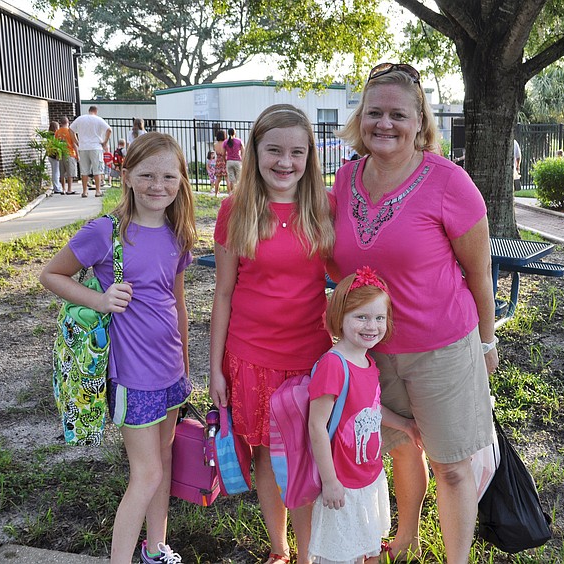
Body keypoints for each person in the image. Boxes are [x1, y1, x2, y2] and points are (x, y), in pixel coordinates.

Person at [331, 62, 497, 563]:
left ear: (420, 121)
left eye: (398, 114)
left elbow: (479, 272)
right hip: (371, 352)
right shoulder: (343, 179)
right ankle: (405, 537)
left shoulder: (450, 182)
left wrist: (487, 342)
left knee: (450, 465)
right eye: (374, 112)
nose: (385, 124)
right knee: (400, 448)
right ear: (361, 119)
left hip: (441, 349)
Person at [39, 132, 197, 564]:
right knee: (145, 475)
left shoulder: (176, 233)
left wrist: (185, 367)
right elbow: (52, 274)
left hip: (170, 375)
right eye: (146, 175)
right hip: (133, 377)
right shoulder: (106, 231)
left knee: (161, 465)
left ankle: (156, 548)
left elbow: (178, 302)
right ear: (125, 176)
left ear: (181, 180)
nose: (157, 185)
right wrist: (99, 299)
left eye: (168, 176)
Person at [209, 104, 335, 564]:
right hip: (250, 356)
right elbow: (223, 294)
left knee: (302, 455)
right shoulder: (234, 210)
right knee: (265, 455)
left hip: (309, 357)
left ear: (310, 157)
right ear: (255, 150)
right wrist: (215, 370)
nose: (285, 162)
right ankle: (279, 551)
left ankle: (307, 555)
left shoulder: (325, 208)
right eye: (274, 150)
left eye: (297, 152)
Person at [308, 267, 422, 564]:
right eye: (361, 317)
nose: (371, 326)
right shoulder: (334, 364)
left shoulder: (368, 361)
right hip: (341, 484)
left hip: (368, 479)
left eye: (379, 318)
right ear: (339, 318)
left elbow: (370, 409)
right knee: (340, 554)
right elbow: (317, 426)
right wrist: (329, 481)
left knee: (365, 547)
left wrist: (405, 425)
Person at [70, 105, 112, 198]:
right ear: (96, 111)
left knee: (84, 171)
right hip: (96, 147)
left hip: (83, 147)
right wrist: (105, 142)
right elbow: (109, 130)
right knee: (97, 170)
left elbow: (71, 129)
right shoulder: (98, 119)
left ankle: (85, 192)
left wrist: (76, 141)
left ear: (88, 111)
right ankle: (98, 191)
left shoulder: (80, 119)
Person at [55, 116, 78, 195]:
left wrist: (58, 155)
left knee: (62, 173)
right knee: (70, 173)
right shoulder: (70, 131)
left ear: (60, 123)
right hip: (70, 153)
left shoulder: (57, 132)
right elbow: (74, 144)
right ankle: (69, 189)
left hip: (61, 154)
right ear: (68, 122)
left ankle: (63, 189)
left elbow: (56, 144)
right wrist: (78, 155)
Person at [224, 127, 244, 194]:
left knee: (232, 180)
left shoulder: (225, 142)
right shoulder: (239, 141)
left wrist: (225, 160)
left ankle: (232, 193)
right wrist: (242, 160)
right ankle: (238, 193)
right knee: (239, 178)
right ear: (234, 133)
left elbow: (223, 153)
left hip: (229, 161)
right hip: (237, 161)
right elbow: (243, 152)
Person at [46, 121, 62, 194]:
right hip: (54, 156)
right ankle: (56, 187)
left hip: (50, 156)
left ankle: (56, 186)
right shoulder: (54, 136)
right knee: (56, 172)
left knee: (55, 172)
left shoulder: (49, 135)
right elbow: (56, 146)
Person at [213, 129, 229, 194]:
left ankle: (216, 193)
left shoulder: (215, 144)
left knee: (218, 178)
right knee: (227, 178)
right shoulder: (225, 143)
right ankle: (229, 193)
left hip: (218, 161)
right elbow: (225, 152)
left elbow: (216, 151)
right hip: (225, 160)